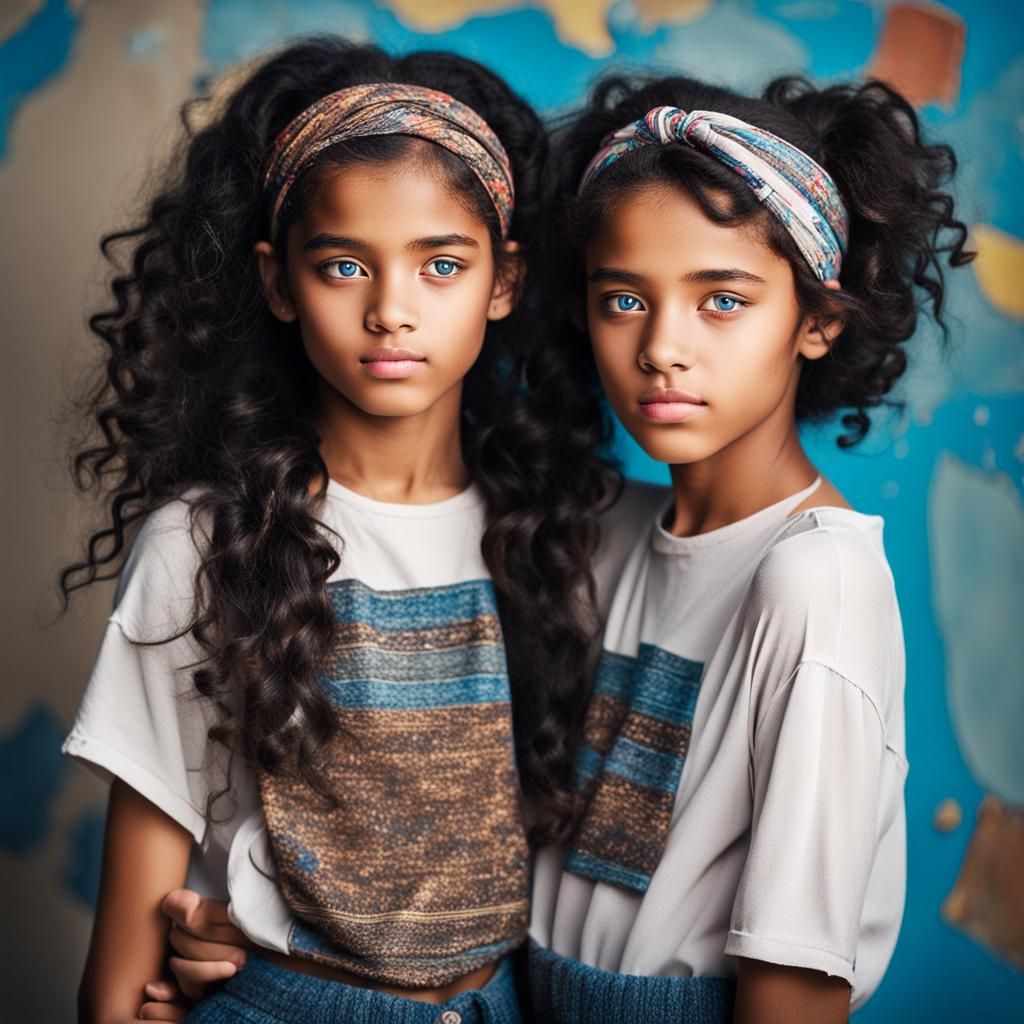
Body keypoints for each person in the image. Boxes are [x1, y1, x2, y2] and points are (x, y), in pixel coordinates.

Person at [149, 71, 971, 1023]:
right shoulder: (592, 536)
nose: (664, 345)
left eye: (723, 301)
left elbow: (796, 981)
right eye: (625, 300)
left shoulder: (814, 579)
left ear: (819, 320)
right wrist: (244, 930)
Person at [59, 36, 615, 1023]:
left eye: (440, 264)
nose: (391, 311)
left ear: (503, 278)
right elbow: (127, 952)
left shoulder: (556, 535)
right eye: (343, 264)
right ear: (279, 284)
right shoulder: (203, 543)